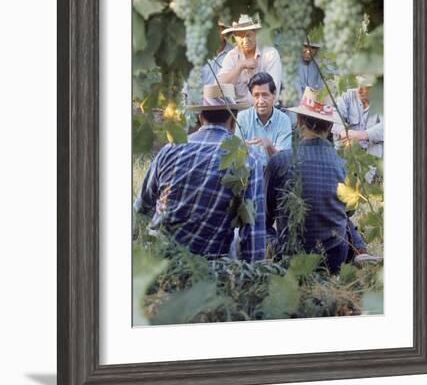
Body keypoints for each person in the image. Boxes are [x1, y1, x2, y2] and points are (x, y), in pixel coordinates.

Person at [134, 84, 266, 263]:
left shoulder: (169, 150)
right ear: (233, 120)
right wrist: (254, 275)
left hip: (159, 261)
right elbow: (252, 231)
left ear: (200, 117)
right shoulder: (249, 158)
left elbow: (142, 209)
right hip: (208, 266)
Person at [265, 87, 370, 274]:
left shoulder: (279, 161)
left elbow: (266, 214)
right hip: (333, 259)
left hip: (290, 258)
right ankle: (361, 250)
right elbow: (349, 210)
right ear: (329, 127)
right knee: (341, 216)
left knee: (260, 228)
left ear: (298, 122)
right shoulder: (343, 164)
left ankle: (361, 250)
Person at [217, 14, 282, 104]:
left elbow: (273, 92)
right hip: (238, 112)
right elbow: (218, 89)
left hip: (266, 110)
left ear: (256, 33)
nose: (245, 40)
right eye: (240, 36)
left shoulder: (270, 54)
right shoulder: (231, 56)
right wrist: (240, 66)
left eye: (248, 35)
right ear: (235, 37)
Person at [235, 72, 292, 167]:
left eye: (265, 95)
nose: (260, 101)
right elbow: (237, 156)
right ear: (251, 96)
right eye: (256, 95)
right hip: (249, 176)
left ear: (274, 95)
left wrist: (269, 146)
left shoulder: (284, 120)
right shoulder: (242, 117)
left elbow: (283, 163)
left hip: (275, 176)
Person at [332, 74, 383, 158]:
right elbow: (334, 114)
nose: (359, 90)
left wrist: (362, 135)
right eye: (359, 85)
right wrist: (344, 132)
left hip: (372, 158)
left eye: (365, 87)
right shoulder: (347, 96)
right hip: (347, 153)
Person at [200, 19, 233, 86]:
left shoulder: (233, 53)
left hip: (226, 96)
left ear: (224, 31)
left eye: (218, 29)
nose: (214, 33)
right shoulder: (198, 53)